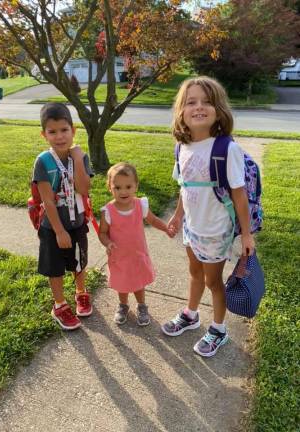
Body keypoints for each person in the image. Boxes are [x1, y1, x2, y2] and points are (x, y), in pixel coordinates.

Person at [162, 76, 255, 357]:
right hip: (192, 228)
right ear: (181, 111)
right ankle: (191, 314)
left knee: (214, 281)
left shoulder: (227, 149)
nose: (199, 107)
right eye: (191, 102)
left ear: (219, 110)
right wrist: (178, 217)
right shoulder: (182, 148)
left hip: (215, 231)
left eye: (206, 101)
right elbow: (184, 187)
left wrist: (247, 234)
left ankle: (218, 329)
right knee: (194, 273)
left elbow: (240, 196)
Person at [32, 102, 94, 330]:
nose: (59, 136)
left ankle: (81, 292)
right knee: (55, 266)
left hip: (77, 222)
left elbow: (84, 189)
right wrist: (58, 231)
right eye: (52, 131)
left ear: (73, 130)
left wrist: (77, 159)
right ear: (44, 134)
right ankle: (59, 304)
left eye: (64, 130)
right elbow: (47, 200)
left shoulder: (80, 157)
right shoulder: (43, 162)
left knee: (79, 261)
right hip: (53, 227)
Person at [99, 162, 174, 326]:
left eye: (128, 186)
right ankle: (123, 305)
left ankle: (141, 306)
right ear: (110, 188)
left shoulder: (141, 205)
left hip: (138, 254)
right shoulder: (108, 211)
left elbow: (153, 220)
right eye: (117, 187)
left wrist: (166, 228)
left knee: (138, 282)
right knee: (122, 283)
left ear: (136, 186)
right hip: (119, 256)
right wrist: (108, 243)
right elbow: (102, 232)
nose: (123, 191)